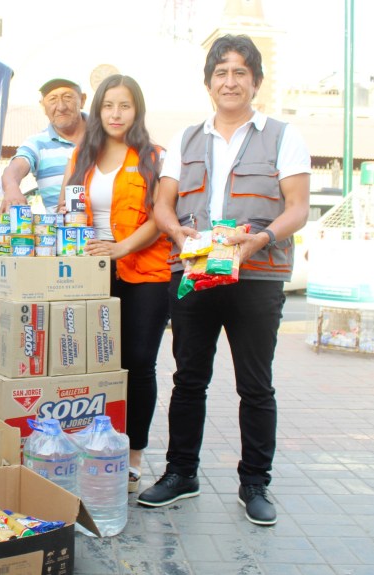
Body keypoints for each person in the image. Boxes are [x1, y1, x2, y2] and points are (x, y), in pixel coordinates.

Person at [138, 34, 311, 526]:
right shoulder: (188, 138)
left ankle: (254, 483)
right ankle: (180, 474)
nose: (230, 81)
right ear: (209, 83)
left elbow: (297, 208)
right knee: (189, 379)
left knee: (256, 385)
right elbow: (163, 204)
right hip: (195, 272)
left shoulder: (282, 135)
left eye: (240, 72)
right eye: (221, 73)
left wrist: (260, 238)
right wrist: (176, 232)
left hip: (257, 275)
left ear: (255, 81)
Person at [58, 74, 171, 493]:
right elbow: (67, 209)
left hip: (146, 272)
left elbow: (161, 217)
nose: (116, 114)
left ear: (136, 110)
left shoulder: (153, 157)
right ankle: (98, 444)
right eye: (108, 106)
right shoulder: (82, 155)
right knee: (100, 364)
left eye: (124, 106)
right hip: (91, 272)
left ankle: (134, 455)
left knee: (139, 362)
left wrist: (120, 248)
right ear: (98, 109)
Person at [0, 78, 87, 213]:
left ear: (82, 100)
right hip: (62, 232)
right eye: (52, 99)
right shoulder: (37, 144)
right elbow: (14, 169)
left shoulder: (105, 136)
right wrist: (11, 188)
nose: (61, 107)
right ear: (42, 106)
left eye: (68, 97)